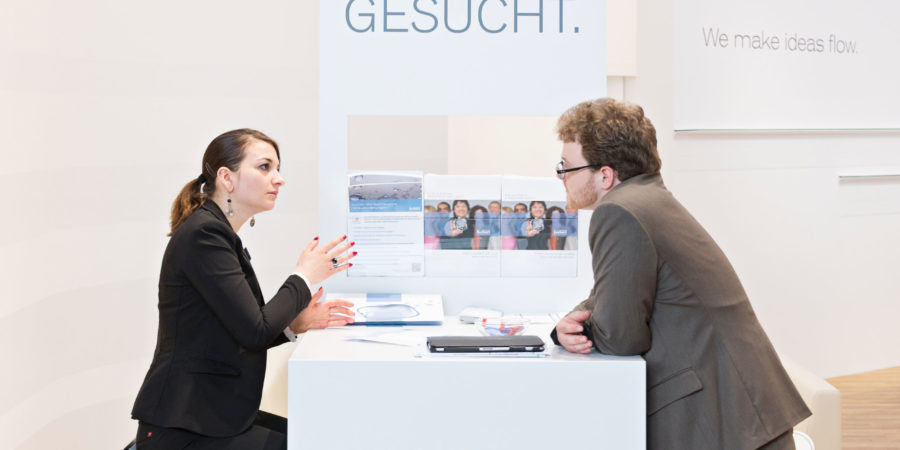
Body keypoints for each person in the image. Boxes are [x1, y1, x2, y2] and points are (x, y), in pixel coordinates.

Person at [550, 99, 810, 449]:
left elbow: (621, 336)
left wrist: (579, 330)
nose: (561, 177)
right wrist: (576, 319)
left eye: (567, 168)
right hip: (740, 412)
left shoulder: (618, 211)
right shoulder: (647, 199)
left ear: (605, 174)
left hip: (724, 422)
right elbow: (616, 291)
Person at [131, 129, 357, 449]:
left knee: (318, 437)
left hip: (212, 416)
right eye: (265, 167)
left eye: (277, 169)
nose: (279, 179)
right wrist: (304, 276)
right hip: (184, 427)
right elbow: (255, 331)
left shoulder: (217, 233)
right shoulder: (204, 235)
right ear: (227, 178)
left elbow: (242, 328)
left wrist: (294, 325)